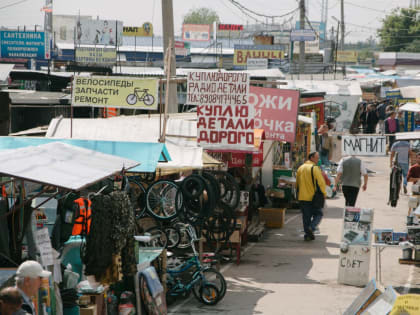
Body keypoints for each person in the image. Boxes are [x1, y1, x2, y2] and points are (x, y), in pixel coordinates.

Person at [296, 151, 327, 241]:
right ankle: (312, 227)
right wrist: (324, 194)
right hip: (313, 197)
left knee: (306, 217)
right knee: (319, 214)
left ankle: (308, 235)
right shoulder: (315, 168)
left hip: (302, 197)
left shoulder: (300, 168)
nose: (318, 160)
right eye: (317, 158)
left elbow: (297, 184)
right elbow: (321, 183)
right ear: (311, 158)